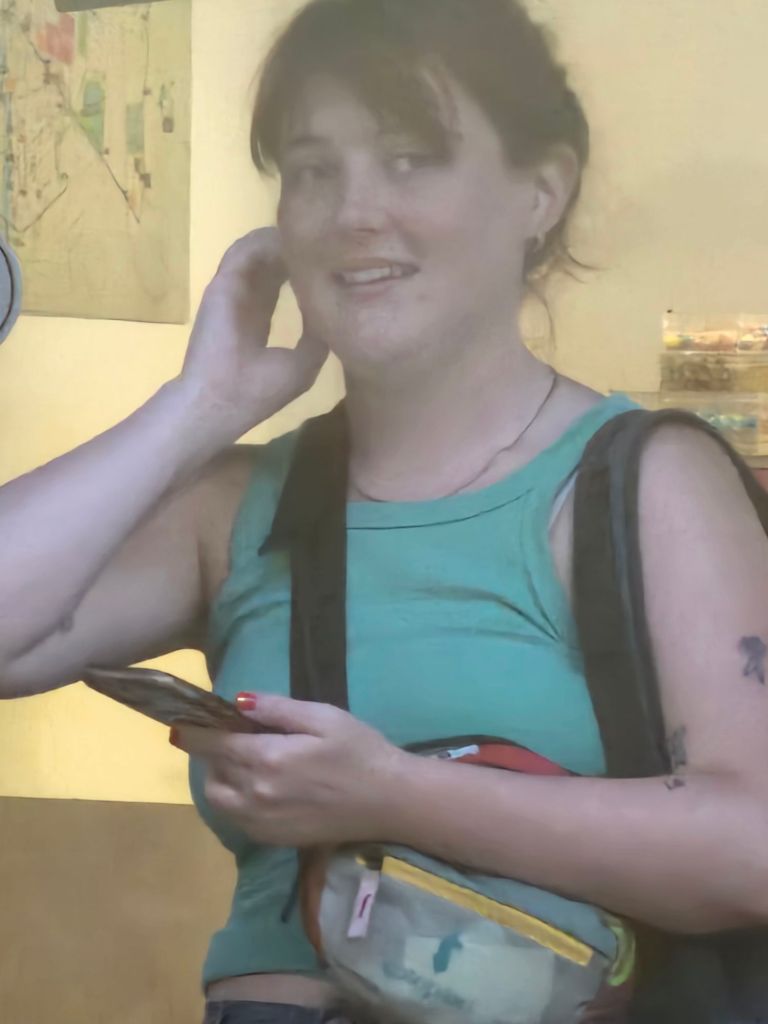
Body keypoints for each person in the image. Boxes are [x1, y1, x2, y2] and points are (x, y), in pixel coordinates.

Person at [2, 1, 768, 1022]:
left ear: (541, 191)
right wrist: (198, 408)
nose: (353, 211)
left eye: (410, 158)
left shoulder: (642, 483)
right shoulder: (241, 504)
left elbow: (754, 842)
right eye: (313, 169)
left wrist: (393, 794)